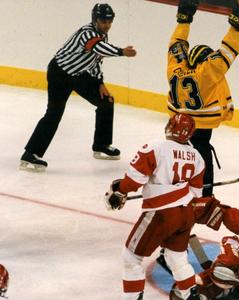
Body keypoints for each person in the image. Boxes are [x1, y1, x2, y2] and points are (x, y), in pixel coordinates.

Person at [19, 3, 136, 172]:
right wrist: (122, 52)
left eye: (110, 21)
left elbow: (96, 59)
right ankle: (30, 154)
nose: (107, 25)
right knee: (54, 114)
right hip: (60, 74)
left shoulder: (102, 35)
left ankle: (101, 144)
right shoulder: (87, 33)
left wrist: (100, 83)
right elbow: (98, 47)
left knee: (106, 101)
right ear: (95, 19)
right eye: (104, 21)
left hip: (79, 75)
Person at [104, 114, 205, 300]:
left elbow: (134, 180)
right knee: (177, 257)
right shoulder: (197, 157)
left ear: (169, 127)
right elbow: (196, 194)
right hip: (186, 214)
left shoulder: (156, 147)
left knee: (131, 257)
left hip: (162, 212)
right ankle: (190, 294)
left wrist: (120, 190)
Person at [166, 0, 239, 197]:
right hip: (201, 128)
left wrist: (184, 21)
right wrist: (237, 27)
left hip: (176, 124)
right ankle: (205, 197)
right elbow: (228, 50)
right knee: (202, 162)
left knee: (175, 158)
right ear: (205, 62)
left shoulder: (175, 68)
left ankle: (172, 190)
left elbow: (176, 44)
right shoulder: (207, 73)